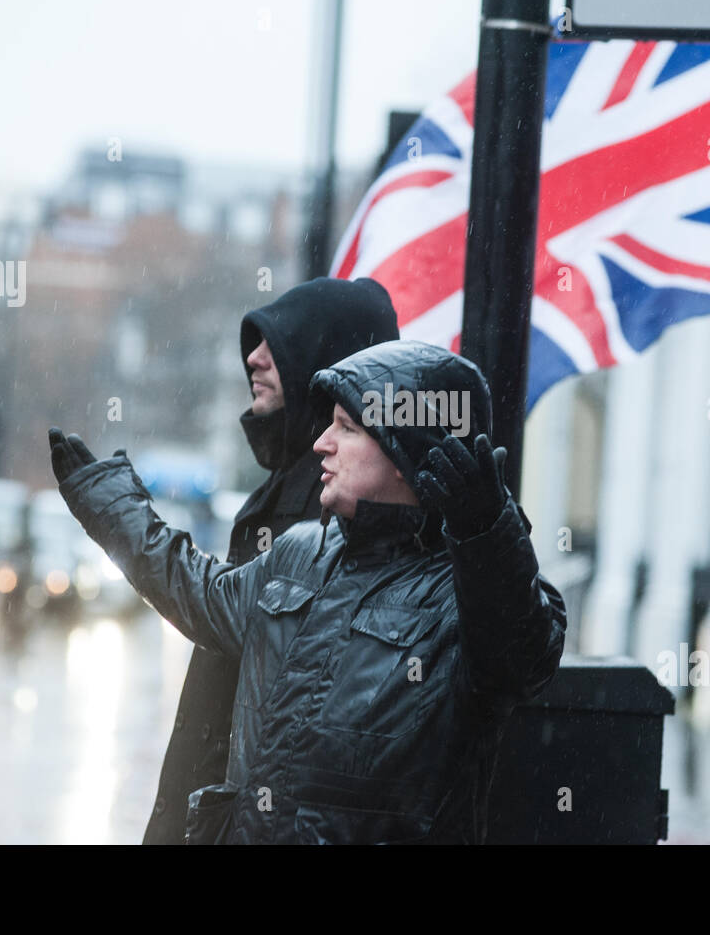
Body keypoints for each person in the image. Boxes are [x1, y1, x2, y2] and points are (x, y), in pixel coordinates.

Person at [49, 339, 566, 844]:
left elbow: (521, 656)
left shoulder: (466, 591)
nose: (322, 442)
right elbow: (204, 595)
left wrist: (486, 533)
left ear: (407, 451)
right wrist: (110, 505)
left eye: (347, 427)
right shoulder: (302, 550)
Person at [51, 276, 398, 845]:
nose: (254, 360)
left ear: (327, 365)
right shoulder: (287, 489)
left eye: (278, 346)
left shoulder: (334, 505)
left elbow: (217, 607)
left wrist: (113, 508)